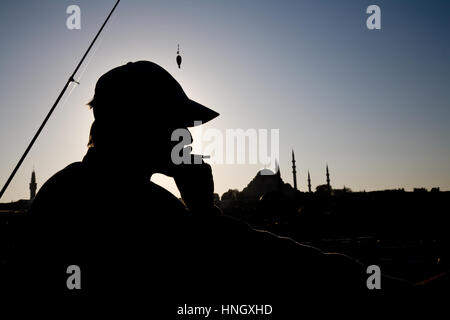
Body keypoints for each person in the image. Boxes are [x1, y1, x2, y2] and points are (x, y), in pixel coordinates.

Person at [7, 61, 409, 305]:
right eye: (178, 124)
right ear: (139, 125)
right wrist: (202, 208)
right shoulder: (129, 205)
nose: (189, 137)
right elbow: (255, 260)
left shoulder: (72, 189)